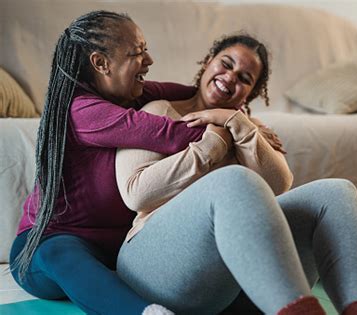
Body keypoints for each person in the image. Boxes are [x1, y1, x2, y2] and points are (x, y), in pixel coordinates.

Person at [115, 34, 357, 315]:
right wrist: (214, 141)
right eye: (226, 64)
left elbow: (279, 186)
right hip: (155, 264)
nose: (230, 77)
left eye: (245, 78)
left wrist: (238, 124)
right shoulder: (159, 111)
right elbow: (137, 194)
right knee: (234, 179)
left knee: (336, 192)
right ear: (208, 63)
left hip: (233, 285)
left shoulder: (249, 130)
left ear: (251, 94)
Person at [9, 10, 212, 315]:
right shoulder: (82, 110)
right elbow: (173, 136)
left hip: (117, 247)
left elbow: (198, 96)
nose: (149, 60)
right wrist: (230, 125)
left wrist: (230, 106)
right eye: (138, 52)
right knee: (58, 252)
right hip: (46, 247)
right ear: (101, 63)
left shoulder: (132, 95)